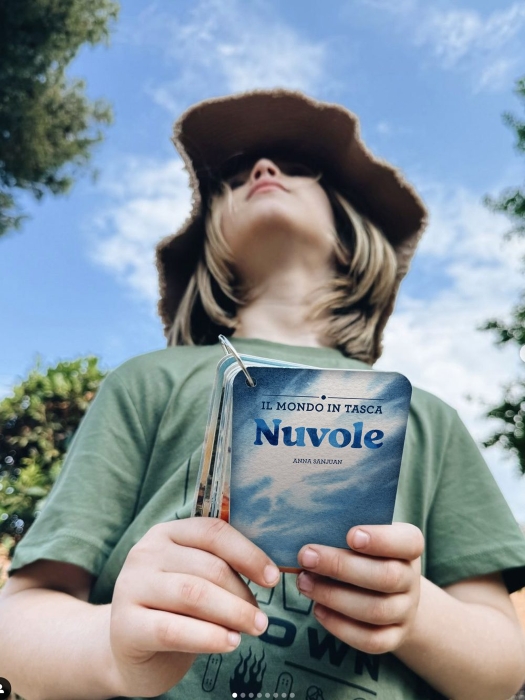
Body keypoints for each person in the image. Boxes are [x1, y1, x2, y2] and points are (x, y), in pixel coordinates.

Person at [1, 88, 525, 700]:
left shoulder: (428, 419)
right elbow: (20, 618)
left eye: (298, 168)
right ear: (210, 239)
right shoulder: (147, 382)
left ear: (350, 232)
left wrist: (415, 613)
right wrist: (112, 651)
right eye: (232, 177)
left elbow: (504, 666)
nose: (264, 169)